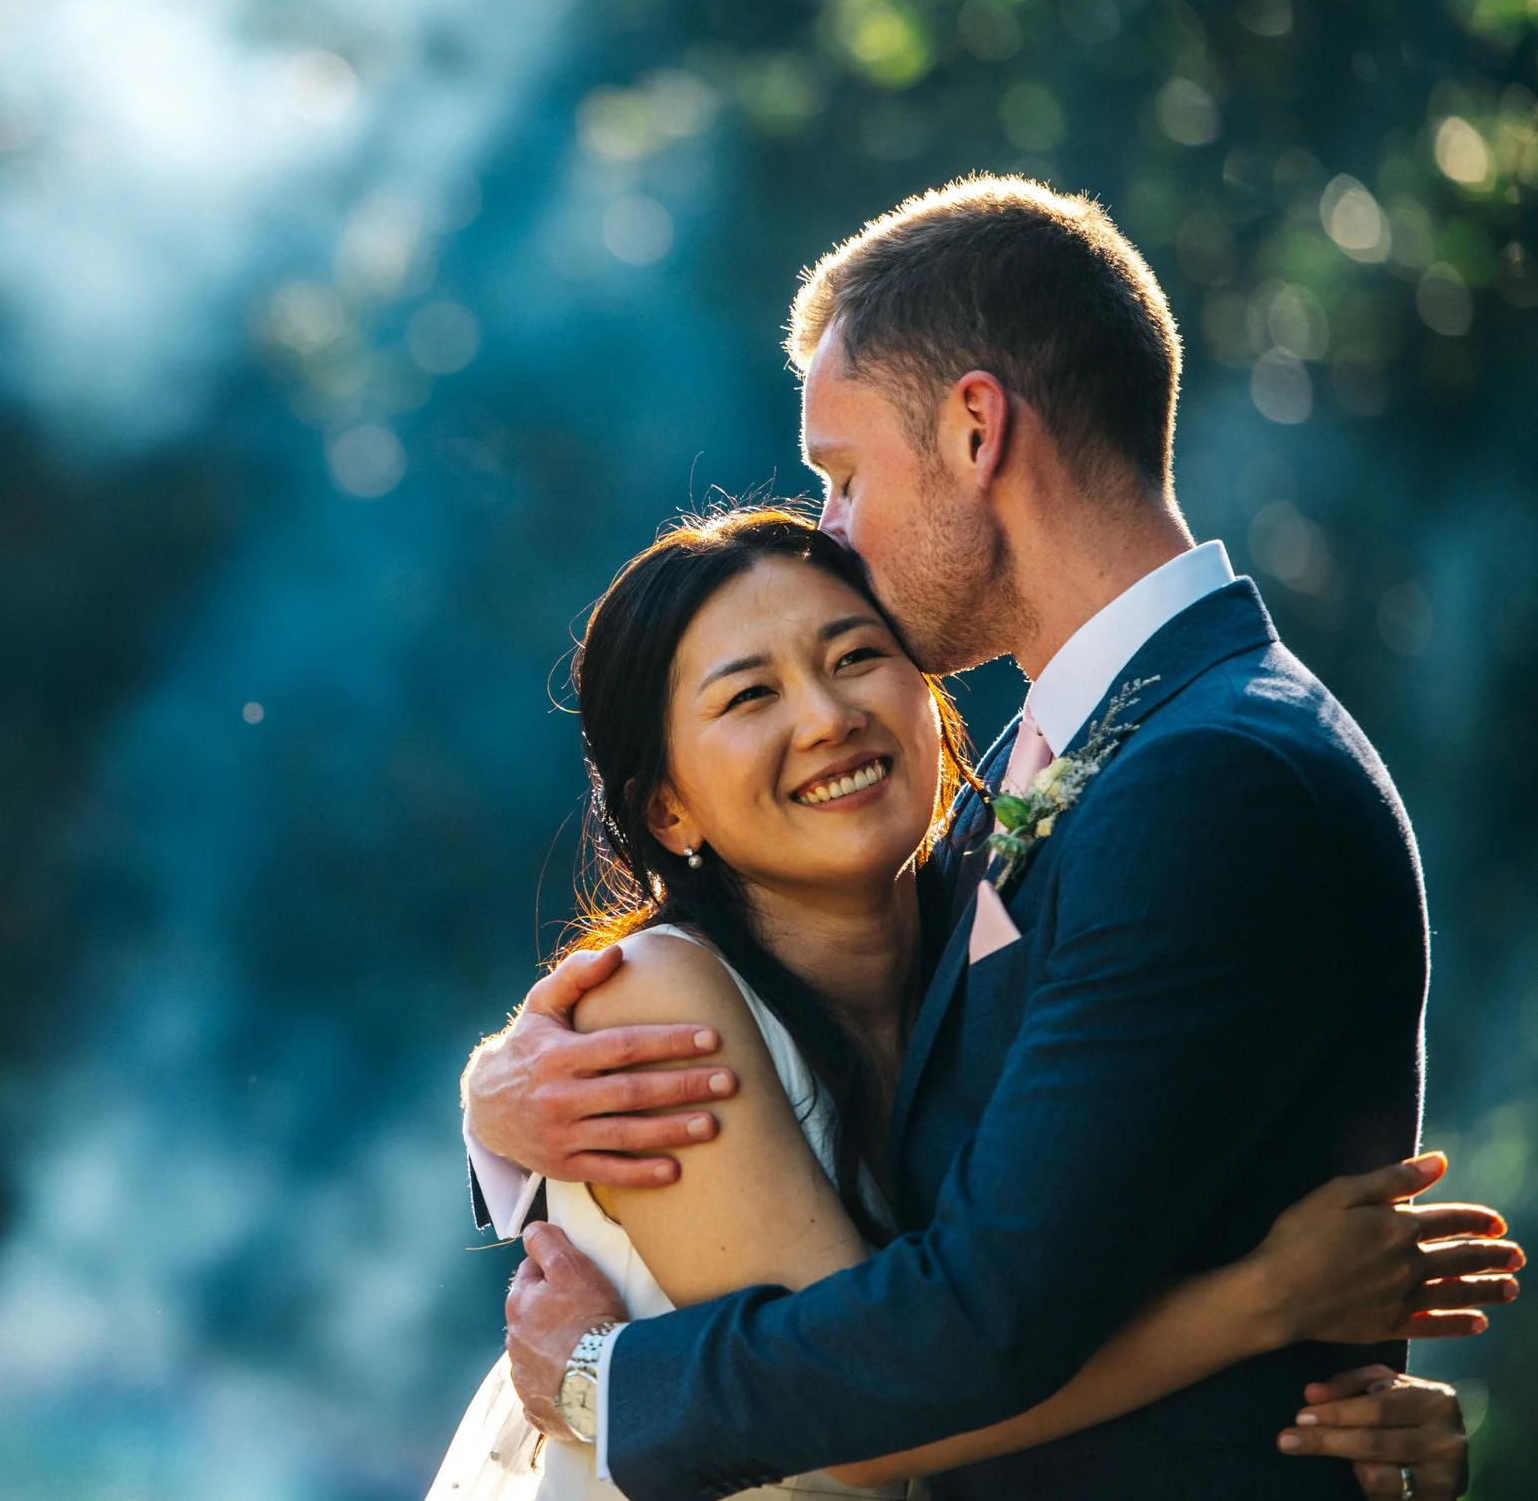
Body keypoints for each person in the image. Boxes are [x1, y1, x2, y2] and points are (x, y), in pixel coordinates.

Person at [466, 178, 1515, 1499]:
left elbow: (983, 1318)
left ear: (975, 430)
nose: (833, 531)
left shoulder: (1208, 778)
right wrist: (503, 1110)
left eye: (842, 475)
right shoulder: (1096, 760)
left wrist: (597, 1380)